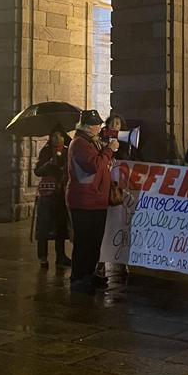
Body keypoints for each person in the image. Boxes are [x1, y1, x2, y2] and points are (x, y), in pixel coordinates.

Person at [66, 109, 118, 294]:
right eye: (97, 124)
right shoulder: (80, 143)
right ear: (88, 126)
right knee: (84, 242)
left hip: (96, 199)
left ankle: (88, 274)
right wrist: (109, 150)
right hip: (84, 200)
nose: (100, 127)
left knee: (94, 241)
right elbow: (94, 165)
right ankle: (79, 278)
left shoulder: (91, 142)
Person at [33, 130, 72, 268]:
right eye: (54, 136)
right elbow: (37, 171)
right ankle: (42, 256)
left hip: (62, 193)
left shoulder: (69, 151)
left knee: (60, 226)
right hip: (48, 193)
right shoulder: (46, 151)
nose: (56, 138)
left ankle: (60, 256)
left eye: (59, 135)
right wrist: (49, 163)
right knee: (44, 225)